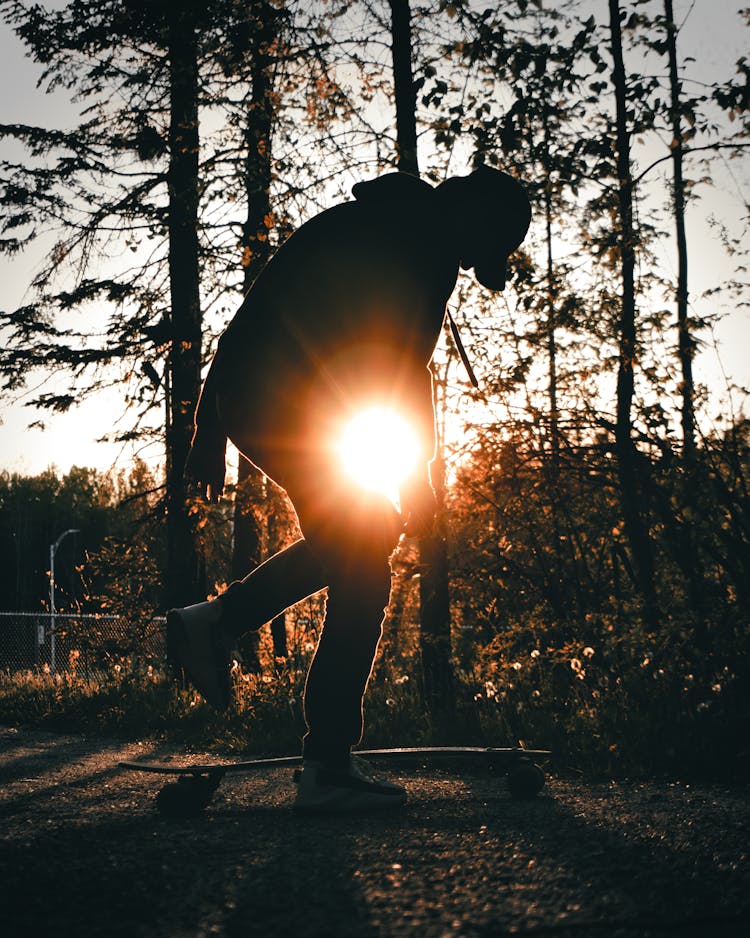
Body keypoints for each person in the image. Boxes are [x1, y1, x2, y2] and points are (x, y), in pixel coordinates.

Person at [167, 165, 531, 813]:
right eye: (485, 250)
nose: (478, 266)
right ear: (471, 209)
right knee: (365, 558)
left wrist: (210, 431)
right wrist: (207, 433)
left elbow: (382, 360)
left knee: (365, 539)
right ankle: (327, 761)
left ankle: (217, 624)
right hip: (280, 399)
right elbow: (390, 365)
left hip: (281, 401)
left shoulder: (407, 233)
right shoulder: (403, 239)